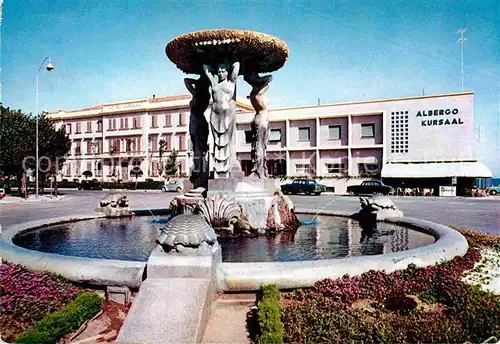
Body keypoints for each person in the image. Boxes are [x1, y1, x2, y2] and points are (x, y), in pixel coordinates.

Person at [203, 61, 240, 178]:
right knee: (216, 143)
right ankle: (217, 169)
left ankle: (226, 168)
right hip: (214, 116)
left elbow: (237, 67)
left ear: (227, 72)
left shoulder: (231, 83)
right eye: (218, 71)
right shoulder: (214, 83)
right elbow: (205, 69)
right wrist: (209, 68)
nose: (220, 73)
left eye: (223, 71)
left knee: (225, 142)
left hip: (227, 116)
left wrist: (232, 62)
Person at [244, 71, 273, 178]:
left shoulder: (253, 93)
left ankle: (258, 168)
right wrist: (256, 80)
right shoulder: (258, 93)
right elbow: (269, 79)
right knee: (260, 146)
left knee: (257, 145)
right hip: (262, 119)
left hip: (258, 118)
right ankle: (258, 170)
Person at [184, 76, 210, 188]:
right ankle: (201, 171)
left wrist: (197, 82)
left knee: (198, 149)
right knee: (200, 149)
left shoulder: (198, 94)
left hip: (196, 121)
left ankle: (199, 171)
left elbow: (186, 81)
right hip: (200, 121)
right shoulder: (206, 95)